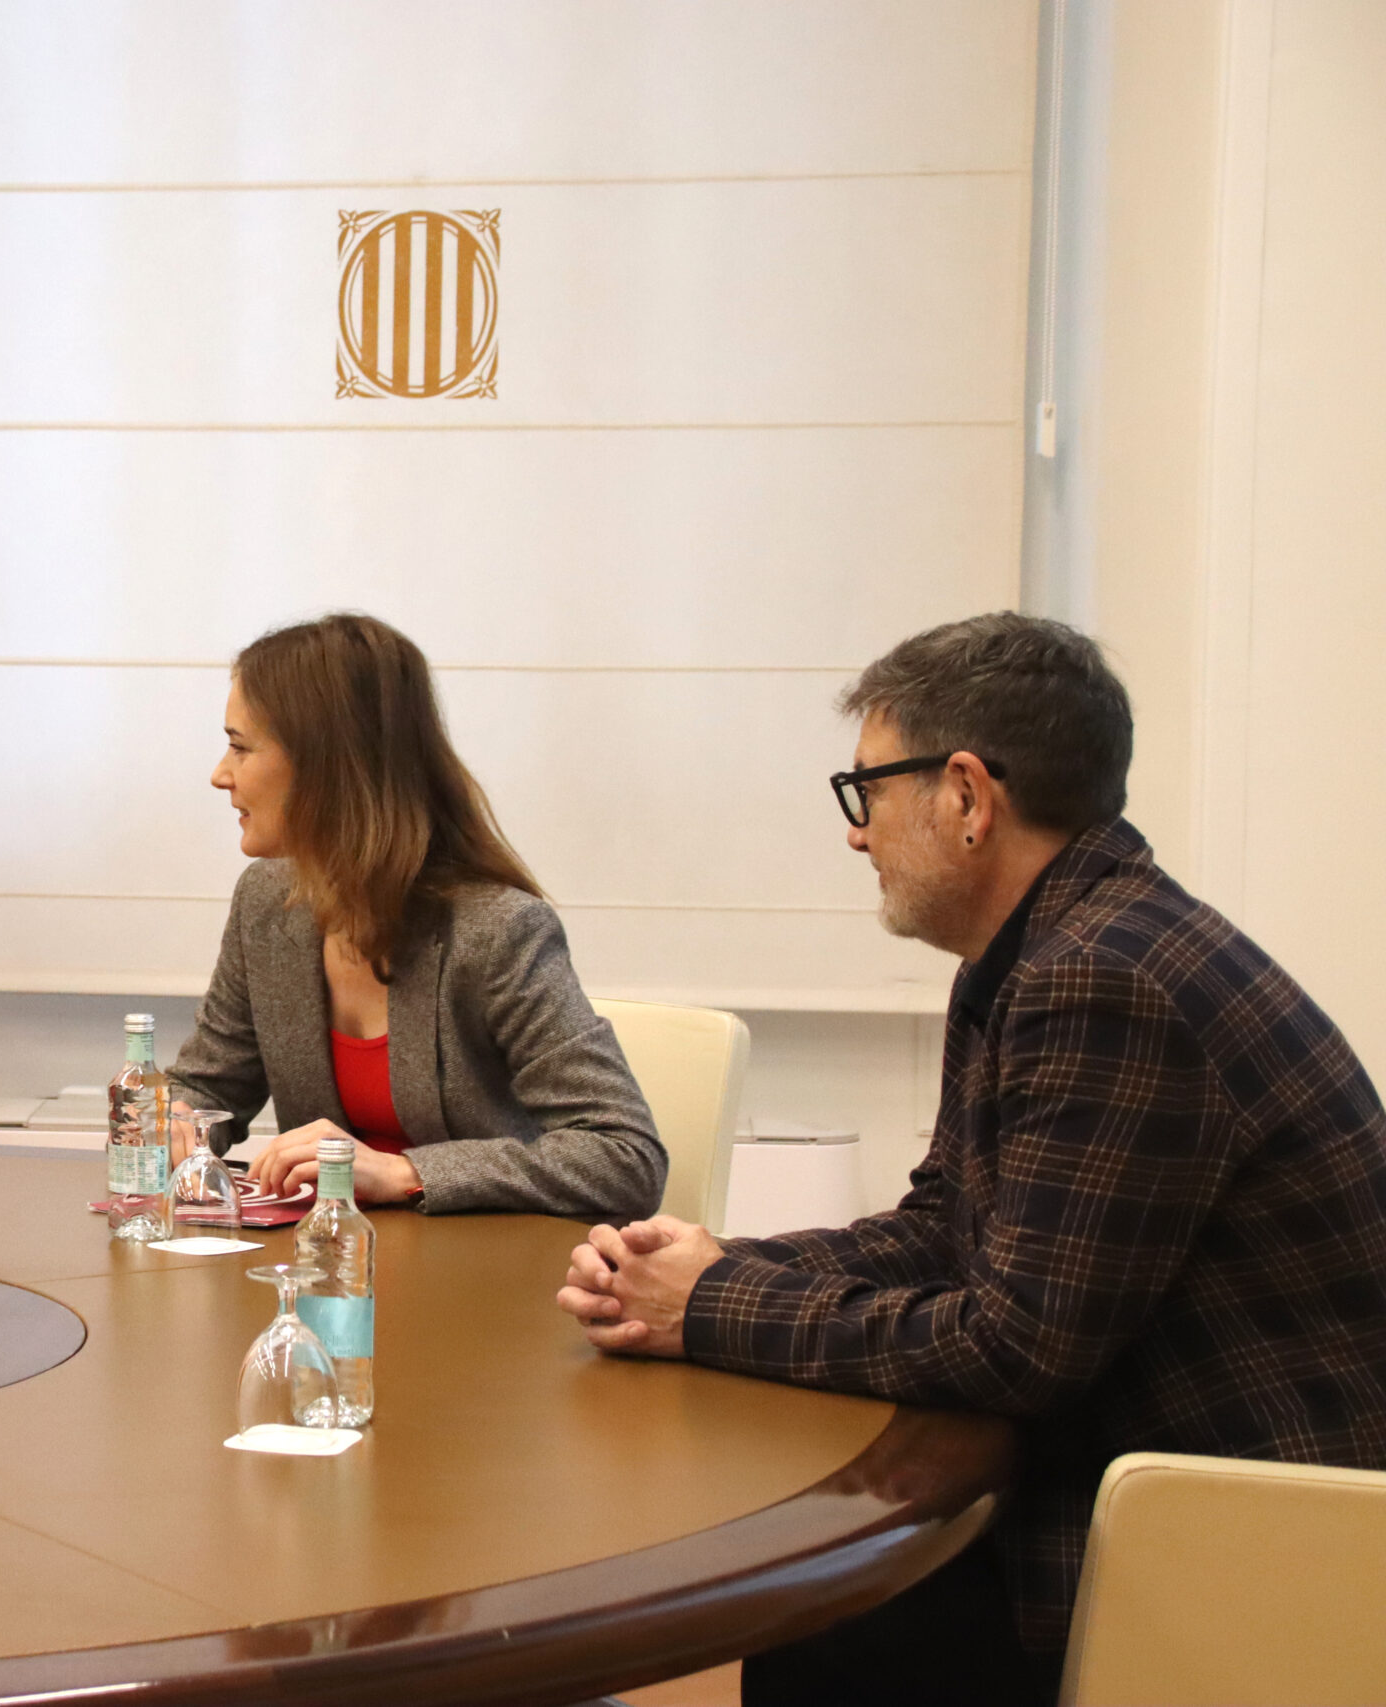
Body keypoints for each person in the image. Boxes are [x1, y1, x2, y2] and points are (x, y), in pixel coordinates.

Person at [554, 614, 1386, 1706]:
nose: (856, 836)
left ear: (964, 796)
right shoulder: (1047, 949)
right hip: (1151, 1473)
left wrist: (706, 1306)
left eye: (866, 792)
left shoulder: (1102, 981)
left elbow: (1014, 1346)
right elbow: (945, 1225)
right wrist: (711, 1265)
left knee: (830, 1617)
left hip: (1237, 1548)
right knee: (830, 1597)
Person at [166, 613, 662, 1218]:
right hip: (328, 1258)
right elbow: (208, 1087)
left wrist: (404, 1173)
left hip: (478, 1267)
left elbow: (625, 1156)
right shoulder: (266, 902)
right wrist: (173, 1123)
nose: (220, 775)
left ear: (329, 765)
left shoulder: (498, 930)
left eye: (240, 747)